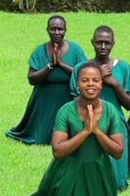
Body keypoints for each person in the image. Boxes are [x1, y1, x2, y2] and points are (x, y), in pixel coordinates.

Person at [27, 62, 126, 196]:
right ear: (77, 84)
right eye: (85, 80)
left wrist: (97, 131)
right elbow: (58, 151)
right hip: (68, 171)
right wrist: (85, 132)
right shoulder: (66, 110)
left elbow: (118, 152)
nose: (90, 84)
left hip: (99, 172)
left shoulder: (110, 111)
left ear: (102, 84)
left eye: (95, 80)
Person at [69, 26, 130, 190]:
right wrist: (97, 77)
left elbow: (129, 104)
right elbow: (74, 99)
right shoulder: (81, 68)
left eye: (107, 43)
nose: (103, 47)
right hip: (86, 118)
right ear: (92, 42)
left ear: (113, 43)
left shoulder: (124, 68)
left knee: (115, 182)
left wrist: (113, 82)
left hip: (115, 121)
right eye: (99, 42)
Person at [7, 15, 88, 145]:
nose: (56, 32)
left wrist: (61, 64)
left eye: (60, 29)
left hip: (69, 97)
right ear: (47, 30)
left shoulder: (76, 50)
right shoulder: (40, 51)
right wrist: (50, 66)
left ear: (65, 30)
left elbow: (85, 75)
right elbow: (31, 79)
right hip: (43, 99)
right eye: (53, 29)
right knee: (40, 139)